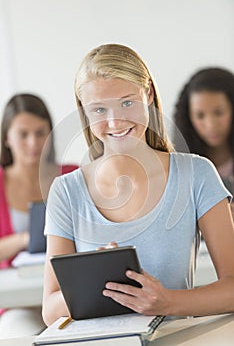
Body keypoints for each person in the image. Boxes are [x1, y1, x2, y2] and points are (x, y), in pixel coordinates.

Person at [42, 44, 234, 326]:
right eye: (98, 109)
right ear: (84, 111)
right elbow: (50, 310)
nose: (114, 121)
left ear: (149, 95)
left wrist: (167, 301)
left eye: (127, 102)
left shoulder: (197, 173)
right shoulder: (66, 192)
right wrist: (92, 281)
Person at [0, 93, 78, 338]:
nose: (33, 143)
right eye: (23, 134)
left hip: (69, 293)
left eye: (40, 132)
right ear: (6, 138)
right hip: (17, 303)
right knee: (19, 332)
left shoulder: (73, 176)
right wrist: (27, 238)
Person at [173, 67, 234, 216]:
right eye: (200, 115)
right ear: (188, 118)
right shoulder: (177, 166)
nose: (211, 125)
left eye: (219, 113)